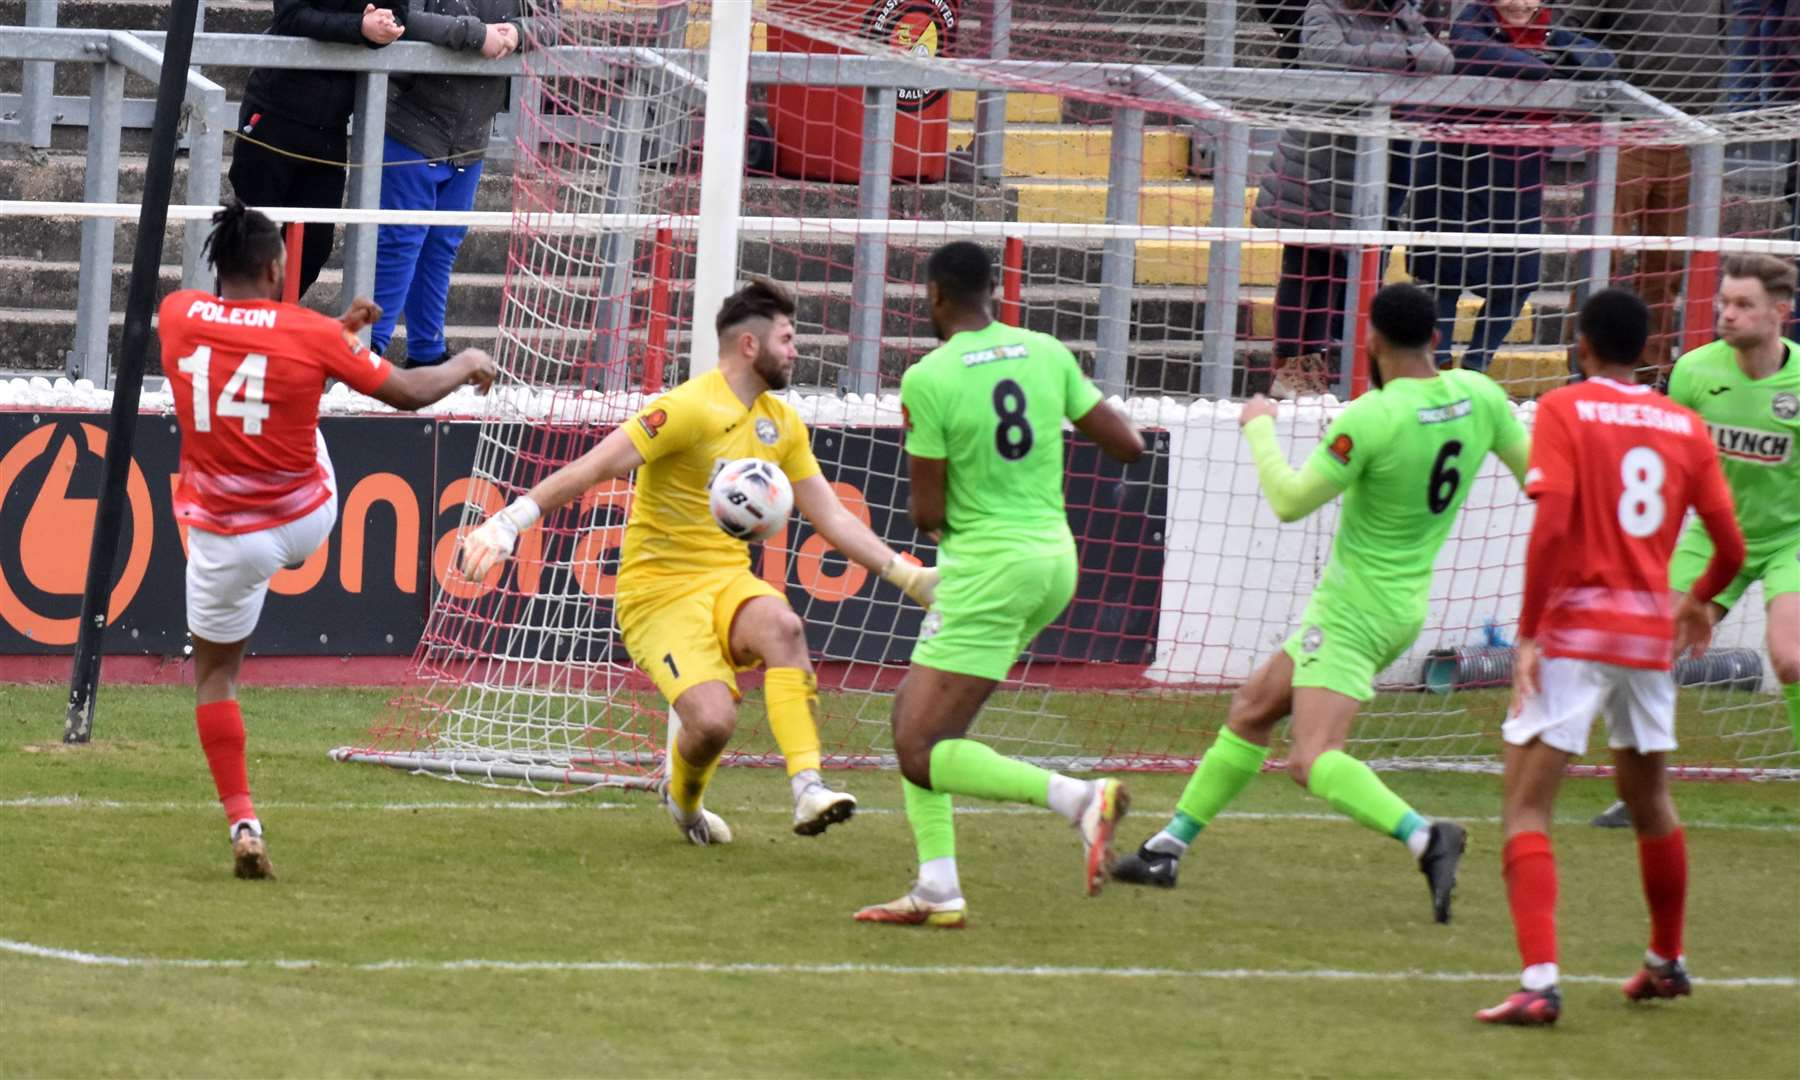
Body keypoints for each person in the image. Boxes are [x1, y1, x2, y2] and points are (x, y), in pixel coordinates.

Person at [458, 279, 938, 845]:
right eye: (787, 338)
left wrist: (909, 576)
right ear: (750, 347)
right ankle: (684, 802)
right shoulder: (686, 408)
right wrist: (509, 521)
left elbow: (832, 518)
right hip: (657, 594)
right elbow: (595, 465)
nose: (797, 349)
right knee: (712, 724)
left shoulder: (782, 426)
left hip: (729, 579)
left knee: (785, 626)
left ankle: (809, 788)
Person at [1110, 283, 1530, 923]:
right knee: (1252, 709)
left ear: (1374, 340)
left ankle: (1426, 836)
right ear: (1437, 341)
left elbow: (1289, 500)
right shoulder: (1481, 396)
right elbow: (1541, 480)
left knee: (1312, 759)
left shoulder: (1372, 417)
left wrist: (1260, 429)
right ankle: (1167, 848)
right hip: (1400, 603)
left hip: (1352, 613)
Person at [161, 200, 497, 879]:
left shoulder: (176, 314)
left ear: (217, 264)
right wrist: (462, 361)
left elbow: (249, 350)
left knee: (217, 675)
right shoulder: (309, 331)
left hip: (224, 538)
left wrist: (326, 345)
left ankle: (244, 821)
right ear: (277, 266)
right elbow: (405, 392)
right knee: (303, 415)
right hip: (304, 519)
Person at [853, 242, 1146, 928]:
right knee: (918, 727)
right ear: (998, 288)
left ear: (933, 297)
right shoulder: (1046, 350)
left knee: (919, 747)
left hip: (988, 569)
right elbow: (1128, 445)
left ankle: (1079, 799)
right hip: (1054, 561)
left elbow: (927, 513)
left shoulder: (929, 377)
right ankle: (936, 887)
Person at [1476, 289, 1746, 1026]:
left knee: (1526, 805)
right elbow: (1732, 549)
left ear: (1580, 343)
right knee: (1650, 800)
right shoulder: (1685, 424)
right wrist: (1697, 601)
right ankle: (1666, 959)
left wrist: (1530, 630)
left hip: (1575, 628)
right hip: (1647, 632)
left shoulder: (1565, 409)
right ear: (1651, 350)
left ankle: (1539, 981)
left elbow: (1555, 524)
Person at [1592, 255, 1800, 828]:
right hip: (1714, 537)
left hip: (1791, 538)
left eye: (1742, 305)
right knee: (1647, 649)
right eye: (1723, 304)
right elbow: (1666, 467)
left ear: (1781, 312)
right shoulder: (1692, 372)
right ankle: (1640, 793)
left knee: (1790, 659)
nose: (1726, 316)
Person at [1249, 0, 1452, 397]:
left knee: (1338, 267)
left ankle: (1319, 362)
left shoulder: (1401, 16)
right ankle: (1290, 366)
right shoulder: (1324, 10)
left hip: (1368, 161)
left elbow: (1442, 59)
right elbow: (1331, 58)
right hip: (1317, 156)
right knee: (1304, 264)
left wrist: (1396, 56)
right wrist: (1405, 59)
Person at [1410, 0, 1614, 375]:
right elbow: (1479, 54)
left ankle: (1475, 367)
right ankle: (1435, 366)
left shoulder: (1553, 33)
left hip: (1519, 181)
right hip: (1454, 172)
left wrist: (1553, 58)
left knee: (1518, 279)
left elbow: (1603, 61)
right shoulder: (1471, 24)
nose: (1519, 3)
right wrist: (1546, 69)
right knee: (1442, 276)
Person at [369, 0, 557, 365]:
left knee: (442, 243)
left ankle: (427, 354)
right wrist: (474, 35)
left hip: (471, 136)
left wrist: (518, 32)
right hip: (412, 127)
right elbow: (399, 15)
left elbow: (552, 22)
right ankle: (368, 352)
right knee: (399, 242)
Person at [1559, 0, 1724, 382]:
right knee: (1603, 260)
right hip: (1625, 134)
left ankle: (1651, 376)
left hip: (1688, 138)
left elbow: (1717, 36)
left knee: (1667, 267)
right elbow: (1567, 32)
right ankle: (1586, 372)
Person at [229, 1, 405, 301]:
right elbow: (292, 15)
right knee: (251, 242)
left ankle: (272, 324)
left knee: (314, 246)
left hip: (330, 126)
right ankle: (238, 327)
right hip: (274, 113)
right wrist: (360, 28)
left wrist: (386, 25)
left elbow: (398, 13)